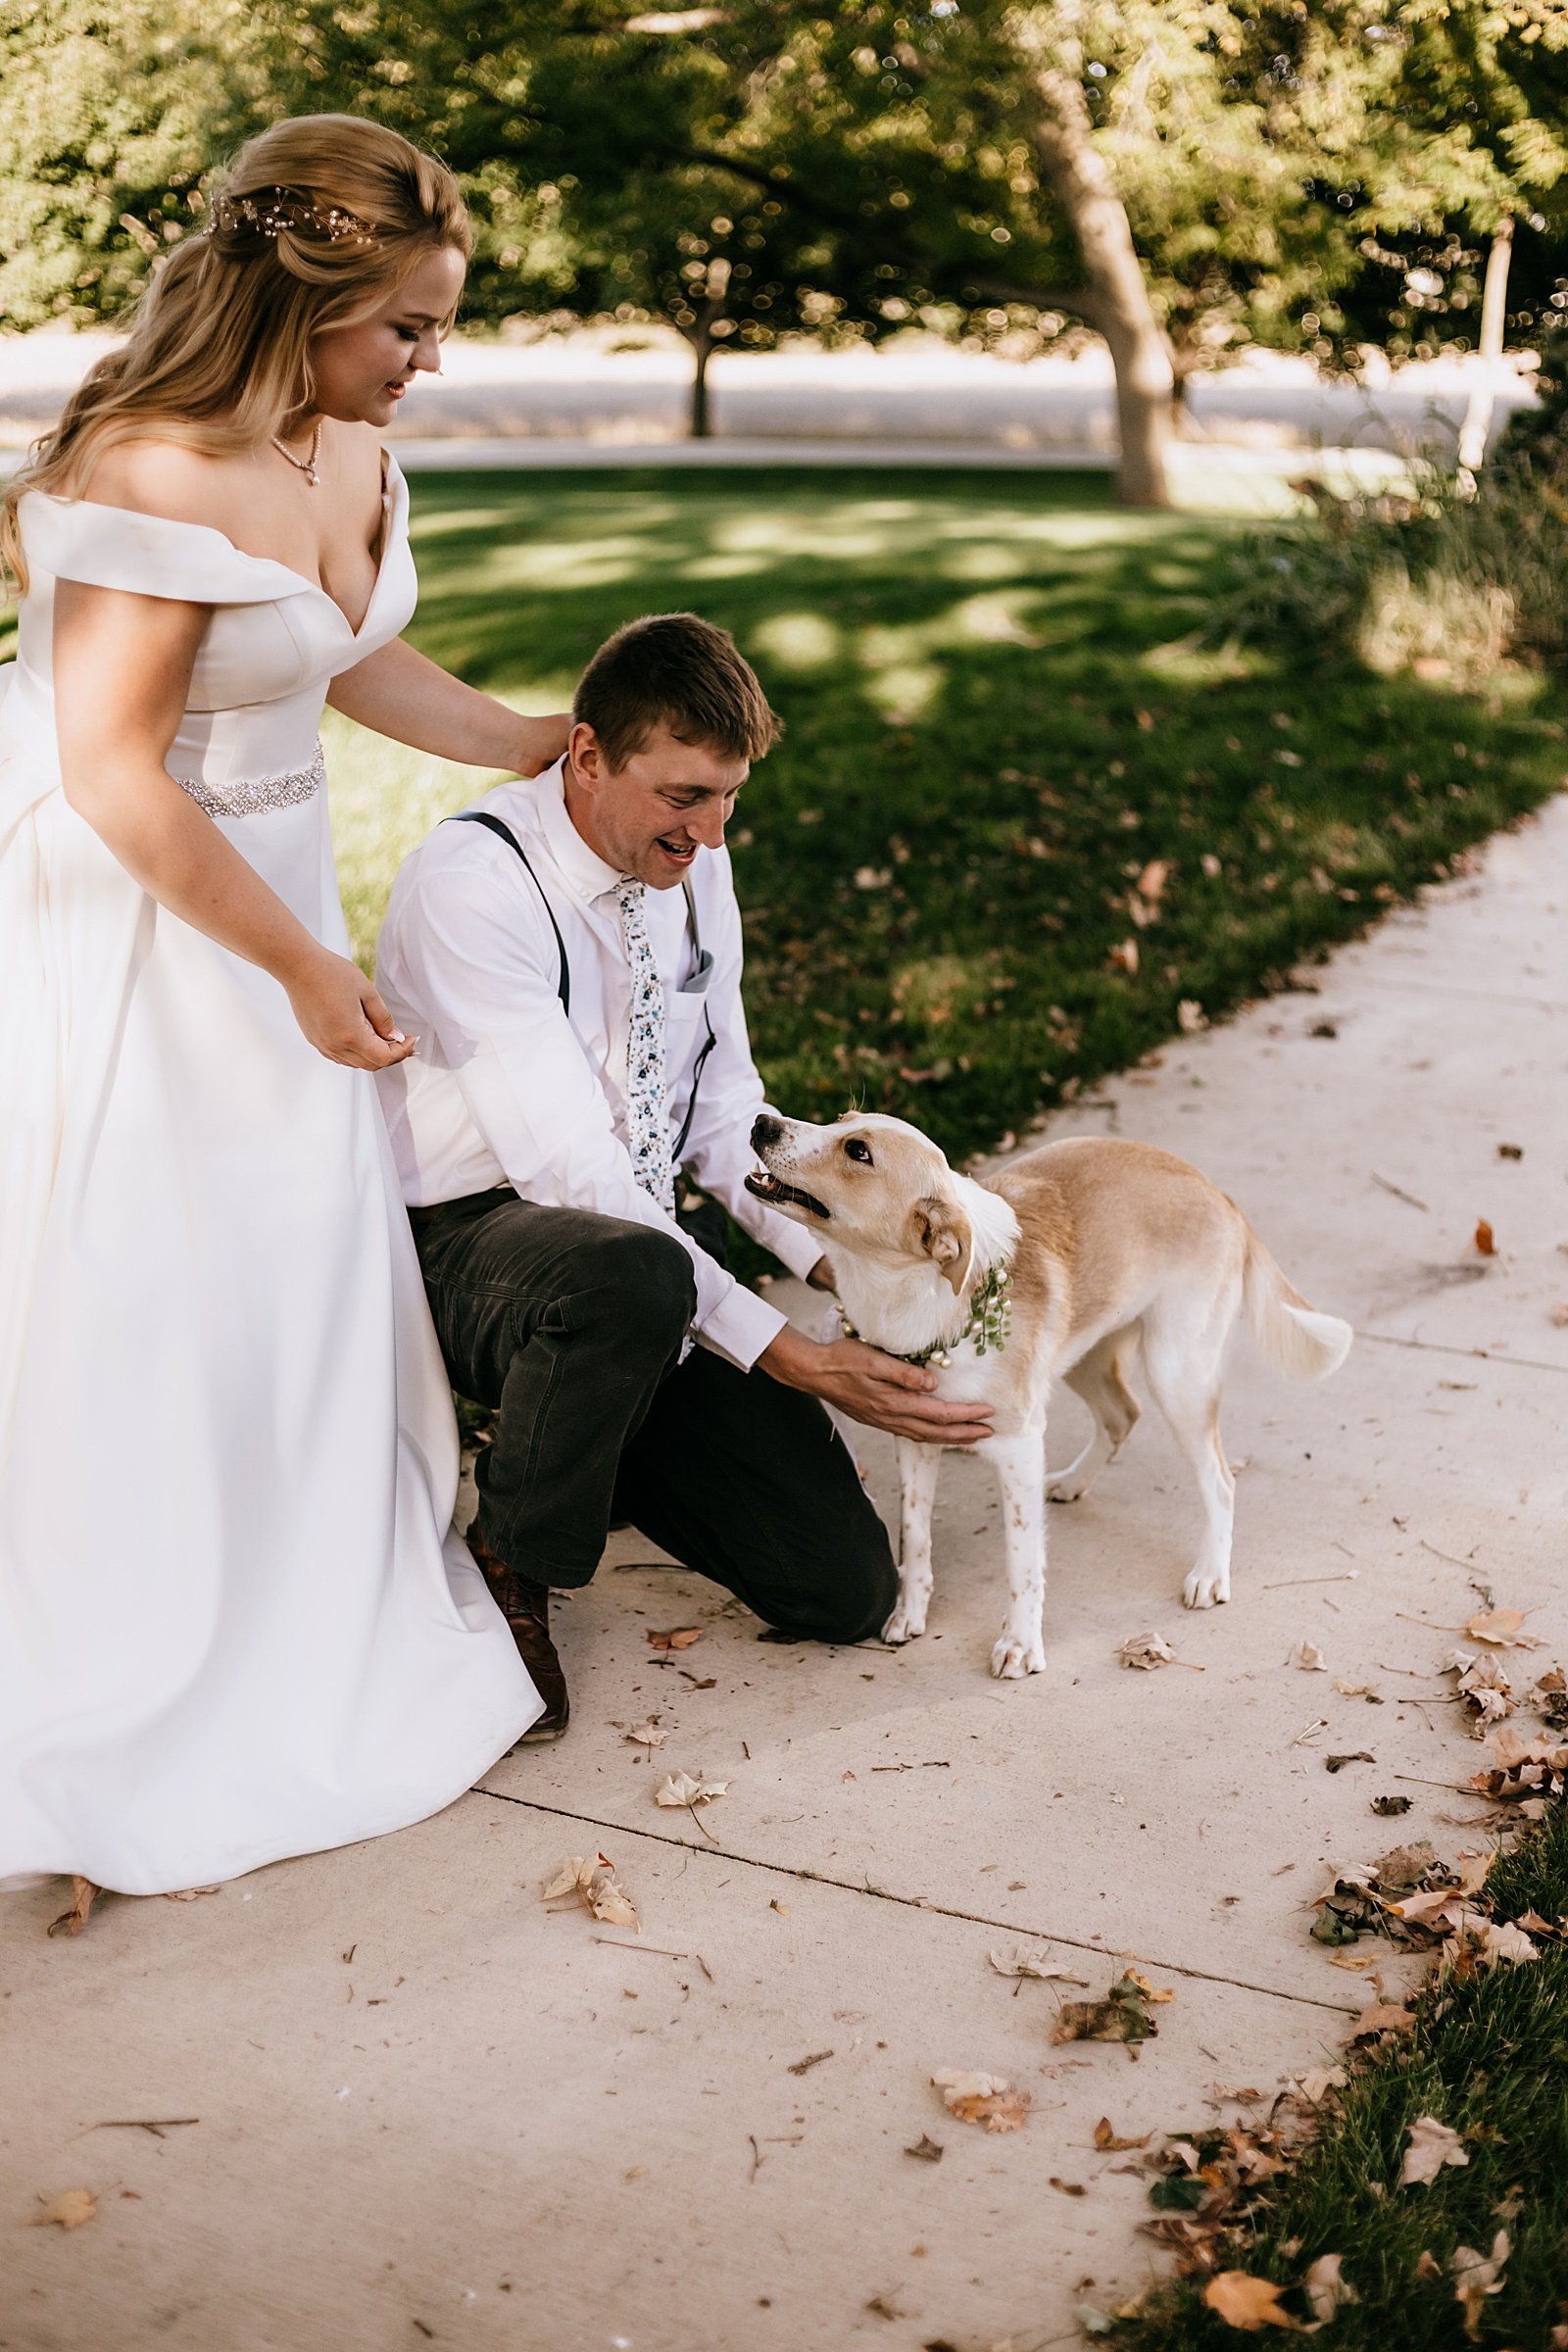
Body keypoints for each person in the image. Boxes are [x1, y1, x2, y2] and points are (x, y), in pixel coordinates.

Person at [0, 116, 570, 1914]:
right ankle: (145, 1618)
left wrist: (529, 739)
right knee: (152, 1273)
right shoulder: (152, 470)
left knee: (295, 1262)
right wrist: (304, 970)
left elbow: (344, 654)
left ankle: (312, 1569)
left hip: (278, 901)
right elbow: (109, 773)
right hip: (138, 922)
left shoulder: (346, 445)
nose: (427, 362)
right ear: (301, 299)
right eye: (405, 326)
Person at [374, 613, 993, 1736]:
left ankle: (599, 1442)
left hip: (633, 1251)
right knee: (632, 1280)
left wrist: (863, 1270)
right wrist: (790, 1354)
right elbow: (575, 1180)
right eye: (681, 798)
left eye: (727, 799)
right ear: (588, 757)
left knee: (842, 1590)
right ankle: (515, 1558)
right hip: (475, 1246)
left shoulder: (696, 870)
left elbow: (722, 1110)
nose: (709, 836)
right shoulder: (475, 887)